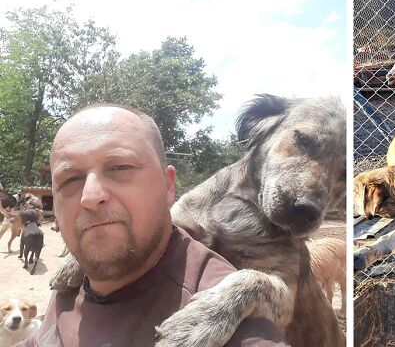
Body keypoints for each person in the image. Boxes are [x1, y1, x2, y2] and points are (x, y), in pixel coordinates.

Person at [18, 104, 288, 347]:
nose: (90, 196)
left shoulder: (234, 323)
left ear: (169, 185)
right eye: (68, 180)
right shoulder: (78, 275)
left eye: (121, 167)